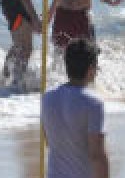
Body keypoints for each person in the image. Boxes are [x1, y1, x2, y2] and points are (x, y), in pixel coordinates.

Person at [40, 38, 109, 178]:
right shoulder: (93, 103)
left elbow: (49, 142)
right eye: (96, 66)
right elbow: (97, 155)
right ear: (90, 69)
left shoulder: (47, 98)